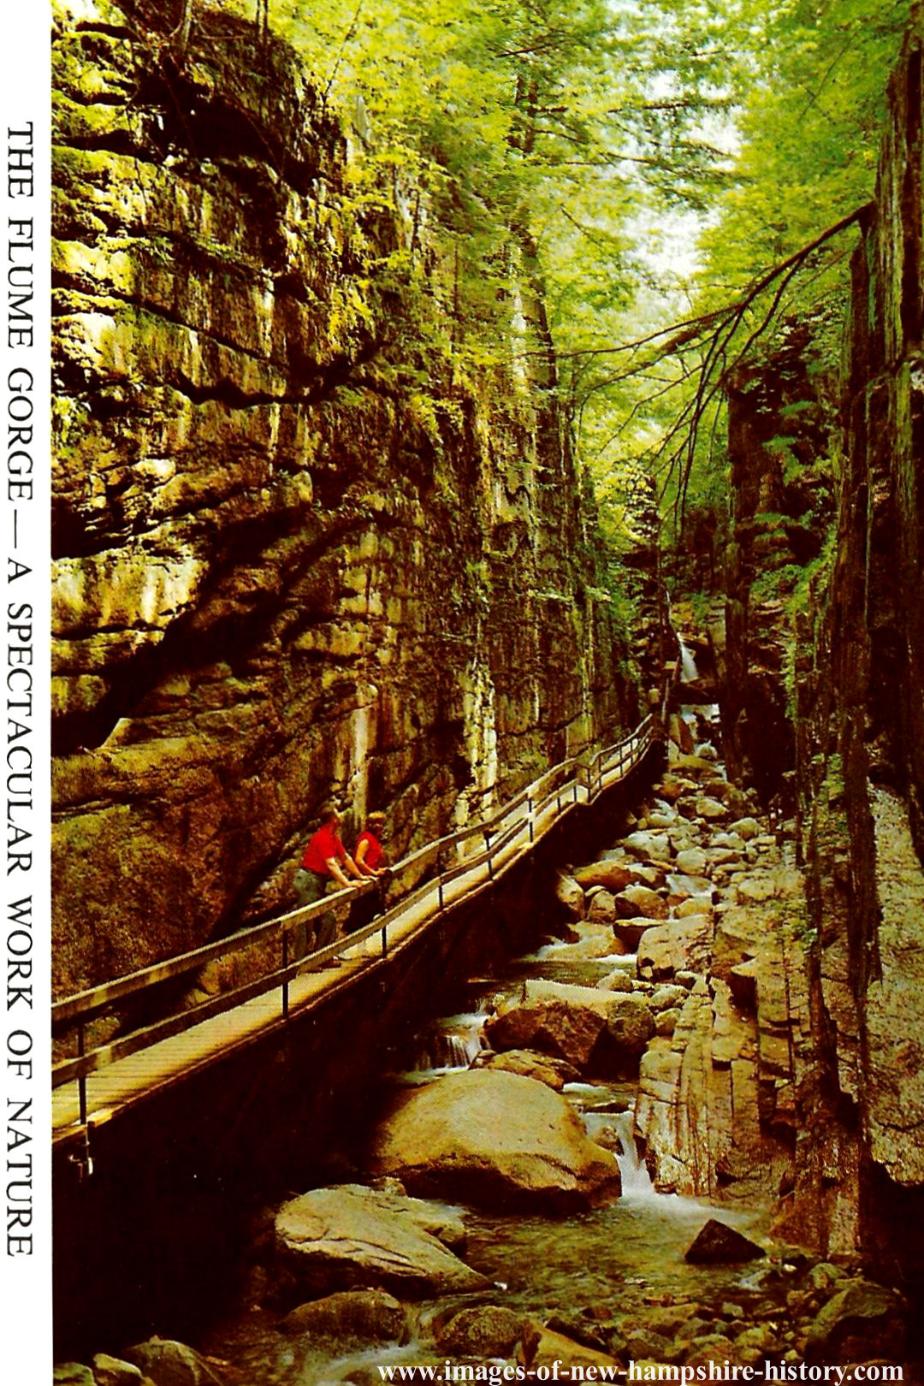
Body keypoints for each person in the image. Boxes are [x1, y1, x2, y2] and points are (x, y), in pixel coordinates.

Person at [293, 804, 364, 955]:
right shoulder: (323, 837)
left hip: (318, 882)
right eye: (338, 813)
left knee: (329, 919)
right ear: (332, 819)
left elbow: (346, 858)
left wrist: (361, 876)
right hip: (308, 880)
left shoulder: (333, 838)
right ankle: (300, 963)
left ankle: (322, 956)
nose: (341, 815)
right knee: (306, 922)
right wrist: (347, 883)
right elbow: (331, 864)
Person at [348, 811, 389, 934]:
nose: (381, 826)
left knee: (373, 913)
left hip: (370, 880)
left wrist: (377, 870)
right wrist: (373, 873)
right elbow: (359, 860)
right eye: (378, 823)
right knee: (361, 916)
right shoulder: (365, 840)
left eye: (382, 823)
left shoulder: (374, 840)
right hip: (362, 880)